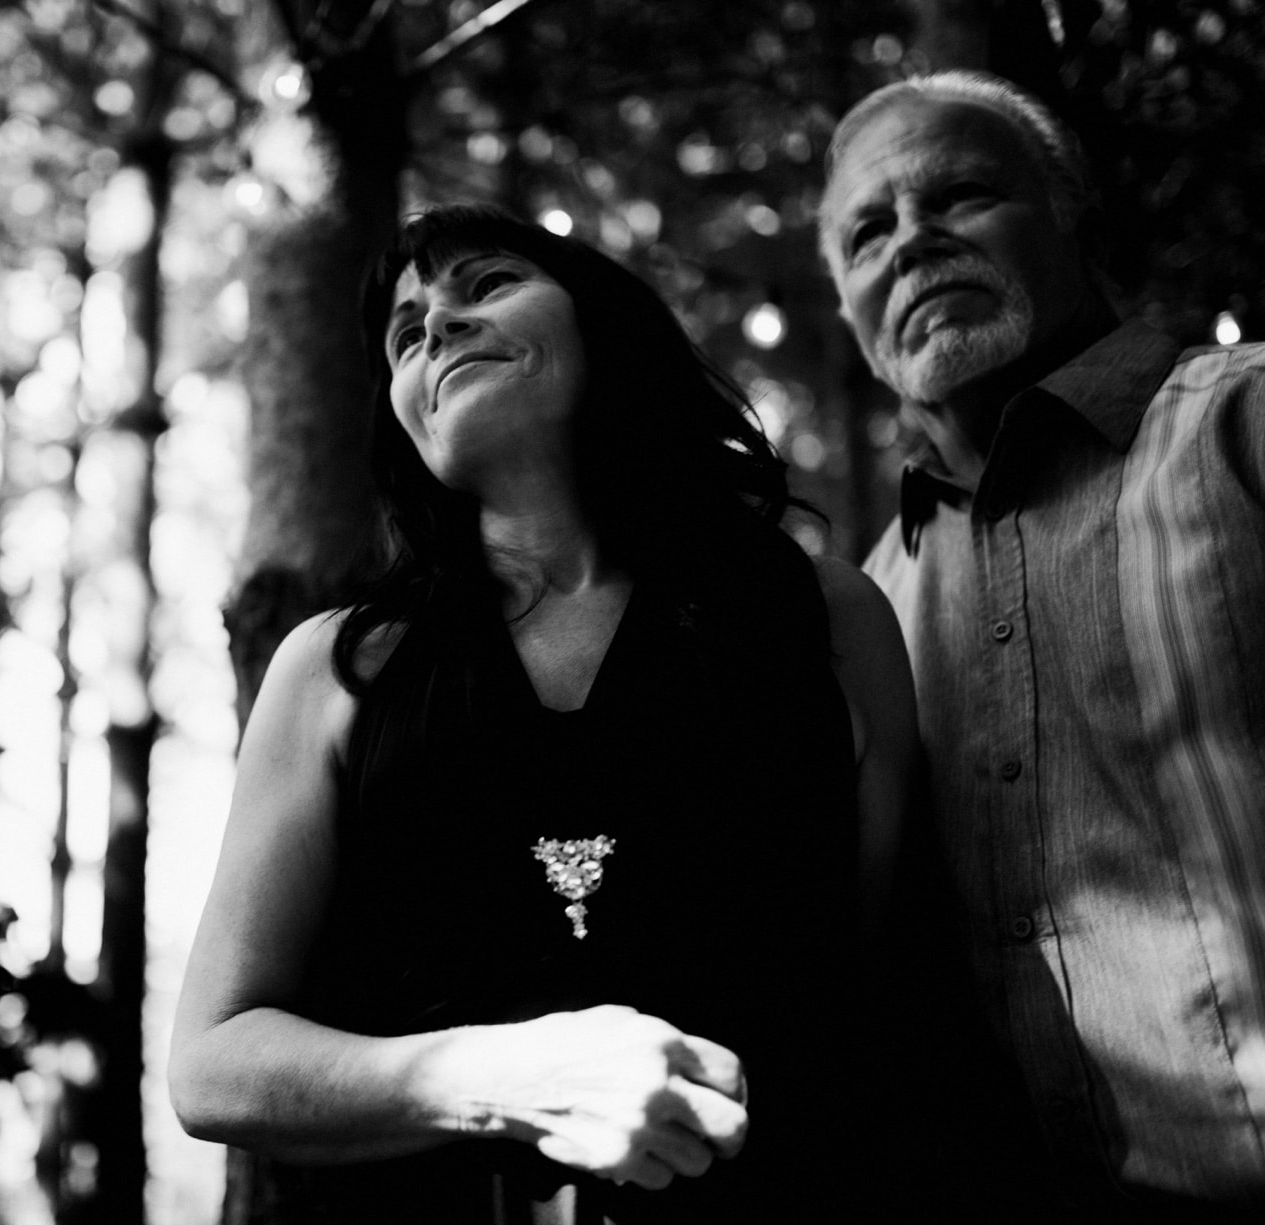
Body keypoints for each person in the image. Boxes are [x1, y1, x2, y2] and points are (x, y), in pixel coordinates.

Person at [170, 204, 923, 1221]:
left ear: (602, 324)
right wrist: (501, 1082)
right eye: (405, 332)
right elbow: (210, 1063)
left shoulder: (826, 619)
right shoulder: (334, 671)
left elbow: (870, 984)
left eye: (483, 285)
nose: (436, 326)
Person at [820, 70, 1265, 1215]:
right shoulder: (863, 609)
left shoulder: (1245, 423)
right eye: (867, 234)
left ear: (1074, 220)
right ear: (852, 317)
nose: (911, 245)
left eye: (960, 196)